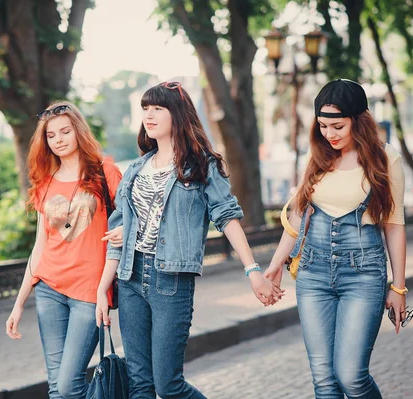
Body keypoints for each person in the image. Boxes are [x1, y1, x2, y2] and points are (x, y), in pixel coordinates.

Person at [95, 82, 284, 399]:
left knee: (169, 386)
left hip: (170, 280)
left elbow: (227, 218)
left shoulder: (201, 165)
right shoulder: (135, 169)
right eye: (145, 109)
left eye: (158, 108)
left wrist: (253, 271)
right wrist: (103, 287)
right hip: (129, 279)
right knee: (140, 385)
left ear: (177, 114)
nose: (149, 115)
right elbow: (117, 232)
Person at [264, 79, 409, 399]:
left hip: (363, 273)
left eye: (337, 126)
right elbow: (298, 216)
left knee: (352, 377)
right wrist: (274, 266)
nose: (329, 134)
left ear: (359, 121)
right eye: (323, 125)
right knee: (324, 381)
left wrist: (398, 288)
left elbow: (394, 224)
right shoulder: (318, 156)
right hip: (313, 274)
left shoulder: (386, 158)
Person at [5, 101, 122, 399]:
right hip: (49, 288)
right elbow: (39, 246)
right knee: (56, 387)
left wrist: (106, 284)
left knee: (70, 385)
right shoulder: (45, 183)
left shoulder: (104, 172)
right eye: (51, 135)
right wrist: (19, 304)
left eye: (65, 131)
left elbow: (129, 222)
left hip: (89, 291)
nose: (58, 139)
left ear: (78, 131)